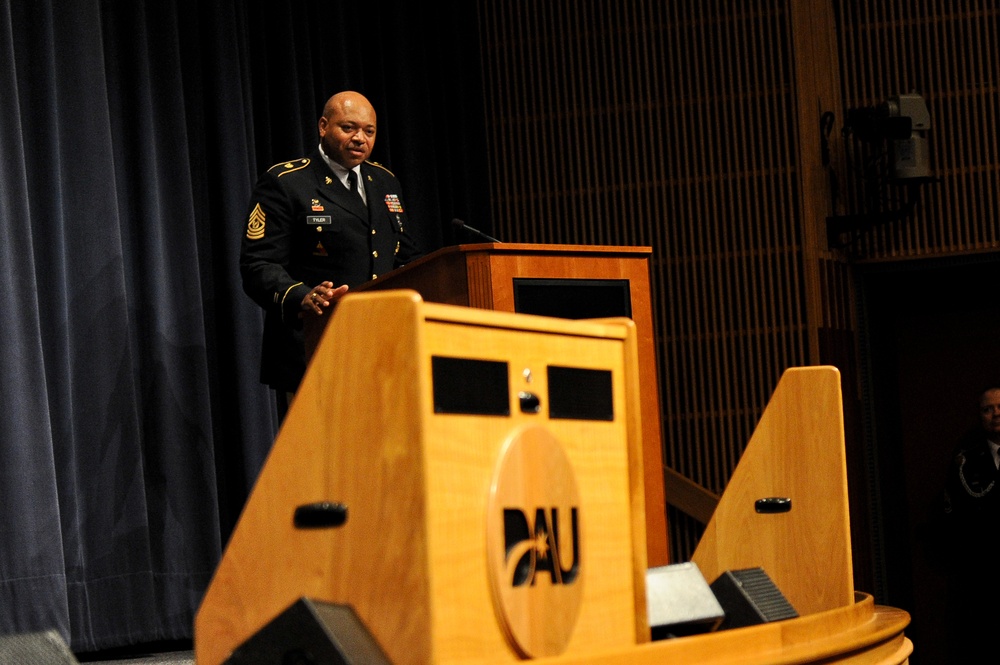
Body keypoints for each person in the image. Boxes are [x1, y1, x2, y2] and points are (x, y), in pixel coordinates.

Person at [240, 91, 422, 400]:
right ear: (323, 126)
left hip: (380, 347)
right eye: (348, 128)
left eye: (369, 131)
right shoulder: (288, 182)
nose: (359, 139)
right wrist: (301, 296)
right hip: (313, 346)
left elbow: (405, 256)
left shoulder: (385, 181)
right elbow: (258, 264)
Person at [940, 386, 1000, 661]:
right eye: (988, 409)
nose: (996, 414)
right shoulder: (966, 457)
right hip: (984, 572)